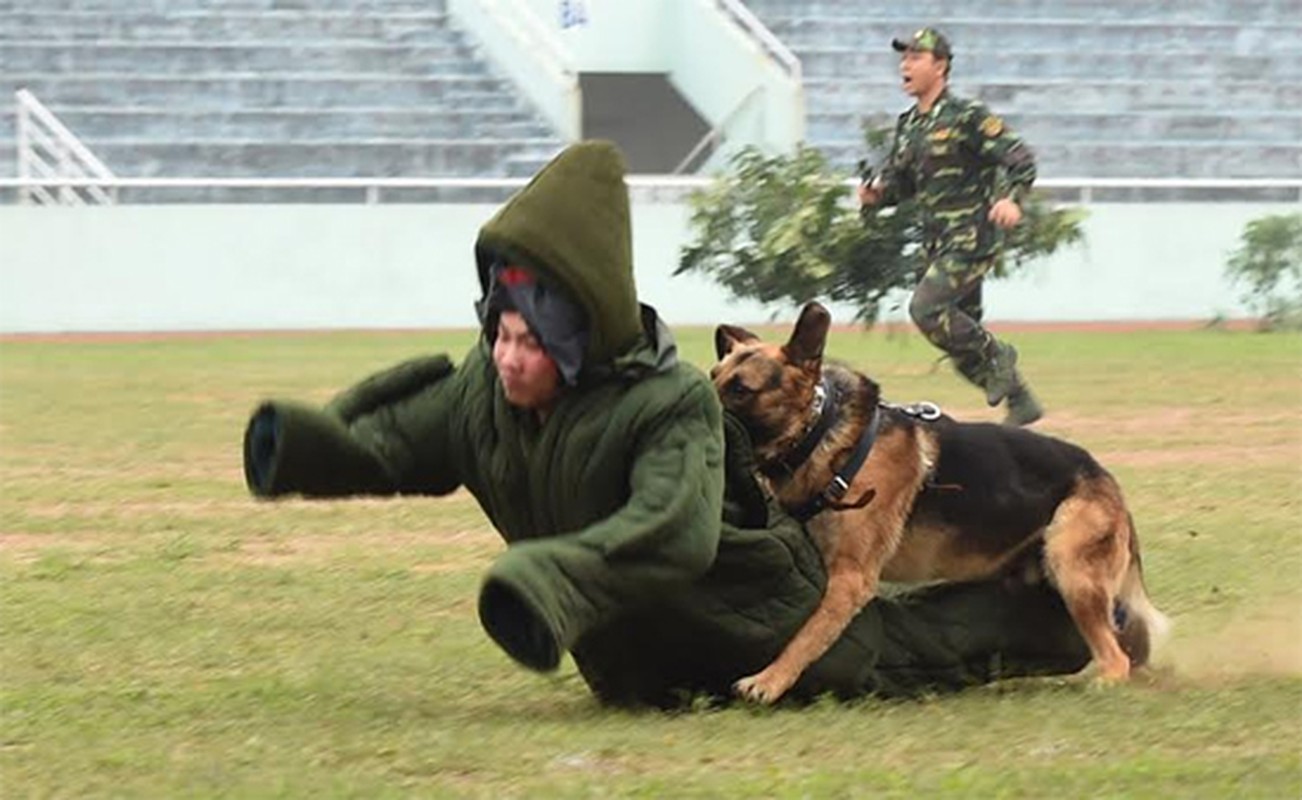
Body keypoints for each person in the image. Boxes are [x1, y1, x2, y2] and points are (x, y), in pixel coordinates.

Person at [242, 140, 1089, 707]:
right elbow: (396, 443)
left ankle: (1063, 626)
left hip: (760, 616)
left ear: (577, 335)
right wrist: (305, 449)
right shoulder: (482, 397)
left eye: (529, 339)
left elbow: (672, 529)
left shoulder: (668, 405)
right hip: (638, 665)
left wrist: (554, 580)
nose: (506, 357)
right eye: (497, 332)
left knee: (904, 649)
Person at [858, 27, 1044, 426]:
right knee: (960, 347)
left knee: (926, 309)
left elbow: (1020, 157)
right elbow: (902, 184)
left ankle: (1000, 357)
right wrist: (877, 195)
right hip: (936, 245)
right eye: (903, 58)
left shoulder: (968, 117)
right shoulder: (909, 124)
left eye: (915, 57)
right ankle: (1021, 400)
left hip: (971, 239)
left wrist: (1011, 198)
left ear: (940, 66)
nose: (905, 65)